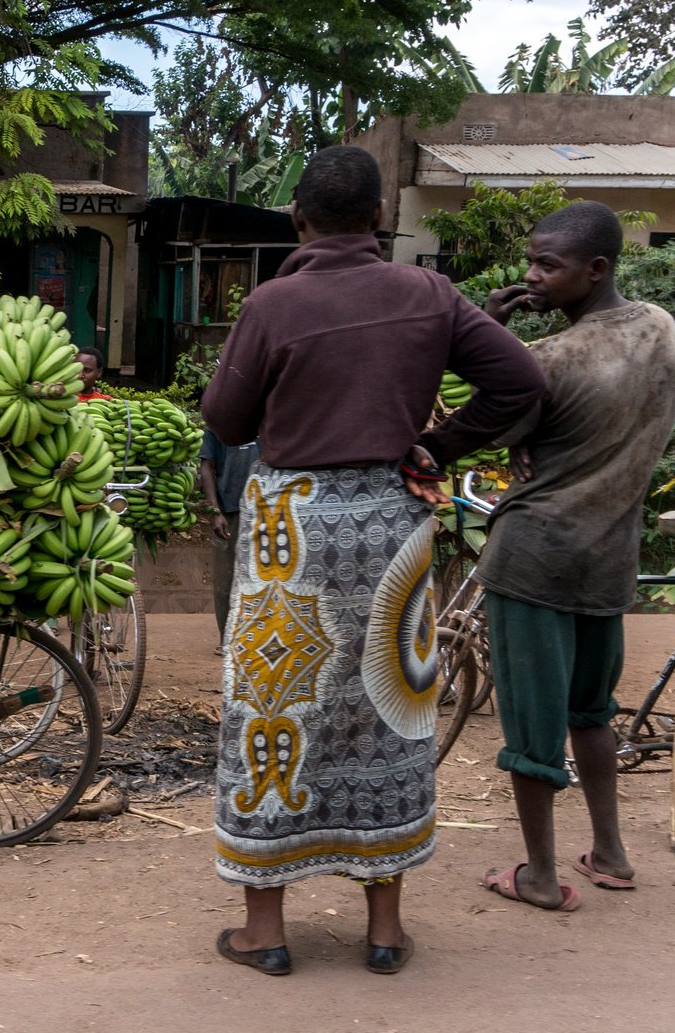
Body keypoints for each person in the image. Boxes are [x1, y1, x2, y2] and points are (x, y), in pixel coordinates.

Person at [200, 145, 545, 977]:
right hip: (394, 527)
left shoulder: (275, 303)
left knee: (274, 706)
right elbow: (519, 380)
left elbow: (228, 416)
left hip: (294, 534)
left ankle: (265, 933)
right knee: (392, 707)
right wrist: (437, 444)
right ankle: (385, 932)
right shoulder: (429, 293)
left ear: (298, 219)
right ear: (381, 219)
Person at [473, 202, 675, 912]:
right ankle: (612, 853)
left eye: (548, 266)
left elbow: (486, 423)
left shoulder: (549, 361)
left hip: (533, 558)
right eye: (531, 261)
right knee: (591, 714)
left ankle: (539, 874)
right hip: (609, 555)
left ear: (595, 270)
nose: (532, 277)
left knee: (532, 729)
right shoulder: (661, 329)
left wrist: (489, 332)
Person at [197, 430, 260, 655]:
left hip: (268, 507)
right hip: (230, 509)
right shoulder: (220, 423)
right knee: (225, 578)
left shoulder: (271, 414)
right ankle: (227, 637)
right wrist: (215, 511)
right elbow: (207, 467)